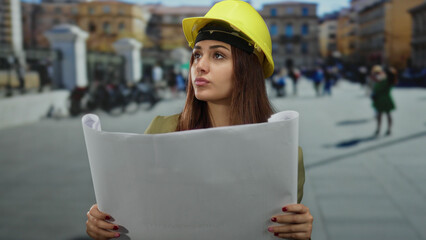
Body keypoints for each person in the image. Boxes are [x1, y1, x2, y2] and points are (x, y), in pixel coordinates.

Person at [85, 1, 313, 239]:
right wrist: (103, 224)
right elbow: (134, 213)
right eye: (197, 54)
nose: (199, 66)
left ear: (248, 69)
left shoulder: (285, 153)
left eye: (218, 55)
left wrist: (299, 233)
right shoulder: (162, 129)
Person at [370, 65, 396, 136]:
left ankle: (378, 129)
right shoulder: (390, 81)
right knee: (388, 114)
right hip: (387, 98)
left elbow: (376, 88)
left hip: (380, 99)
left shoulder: (382, 80)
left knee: (379, 115)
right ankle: (389, 129)